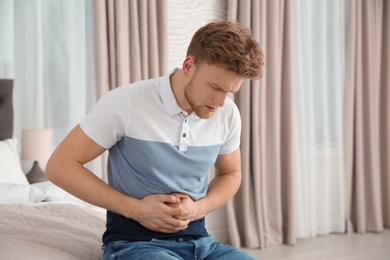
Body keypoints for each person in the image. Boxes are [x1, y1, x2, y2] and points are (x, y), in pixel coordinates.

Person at [46, 20, 264, 260]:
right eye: (215, 87)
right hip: (135, 245)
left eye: (229, 92)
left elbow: (230, 174)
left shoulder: (227, 114)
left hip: (201, 246)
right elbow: (60, 166)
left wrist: (198, 208)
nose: (221, 102)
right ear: (189, 65)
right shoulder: (126, 102)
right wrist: (136, 209)